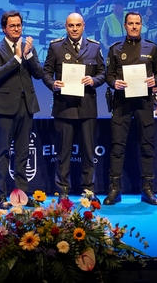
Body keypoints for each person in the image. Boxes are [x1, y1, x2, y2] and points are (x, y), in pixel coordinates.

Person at [41, 12, 106, 201]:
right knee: (63, 153)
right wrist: (53, 84)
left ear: (83, 25)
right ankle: (62, 193)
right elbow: (46, 73)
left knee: (88, 152)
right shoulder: (56, 47)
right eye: (71, 25)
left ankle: (88, 191)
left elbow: (103, 73)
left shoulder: (94, 47)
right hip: (64, 108)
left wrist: (94, 80)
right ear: (66, 26)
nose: (75, 29)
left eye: (78, 25)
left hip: (87, 107)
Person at [104, 11, 157, 206]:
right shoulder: (115, 49)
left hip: (144, 103)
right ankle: (115, 189)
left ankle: (147, 189)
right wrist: (114, 83)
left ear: (141, 25)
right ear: (125, 26)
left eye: (137, 23)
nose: (134, 26)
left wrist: (155, 81)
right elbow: (108, 75)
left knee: (147, 146)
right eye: (130, 23)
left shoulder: (152, 48)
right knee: (117, 147)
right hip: (121, 103)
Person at [0, 10, 43, 210]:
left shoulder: (29, 48)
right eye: (12, 26)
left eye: (19, 25)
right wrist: (18, 57)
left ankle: (21, 196)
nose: (17, 29)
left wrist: (28, 55)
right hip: (5, 108)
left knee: (22, 153)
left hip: (26, 106)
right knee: (3, 152)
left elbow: (38, 74)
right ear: (4, 28)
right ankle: (2, 197)